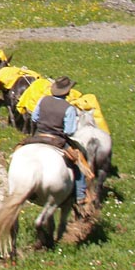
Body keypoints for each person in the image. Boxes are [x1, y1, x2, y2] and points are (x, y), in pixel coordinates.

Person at [31, 76, 87, 210]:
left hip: (38, 136)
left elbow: (34, 118)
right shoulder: (69, 108)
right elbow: (69, 131)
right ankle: (80, 195)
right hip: (57, 140)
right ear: (67, 92)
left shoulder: (43, 100)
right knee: (79, 162)